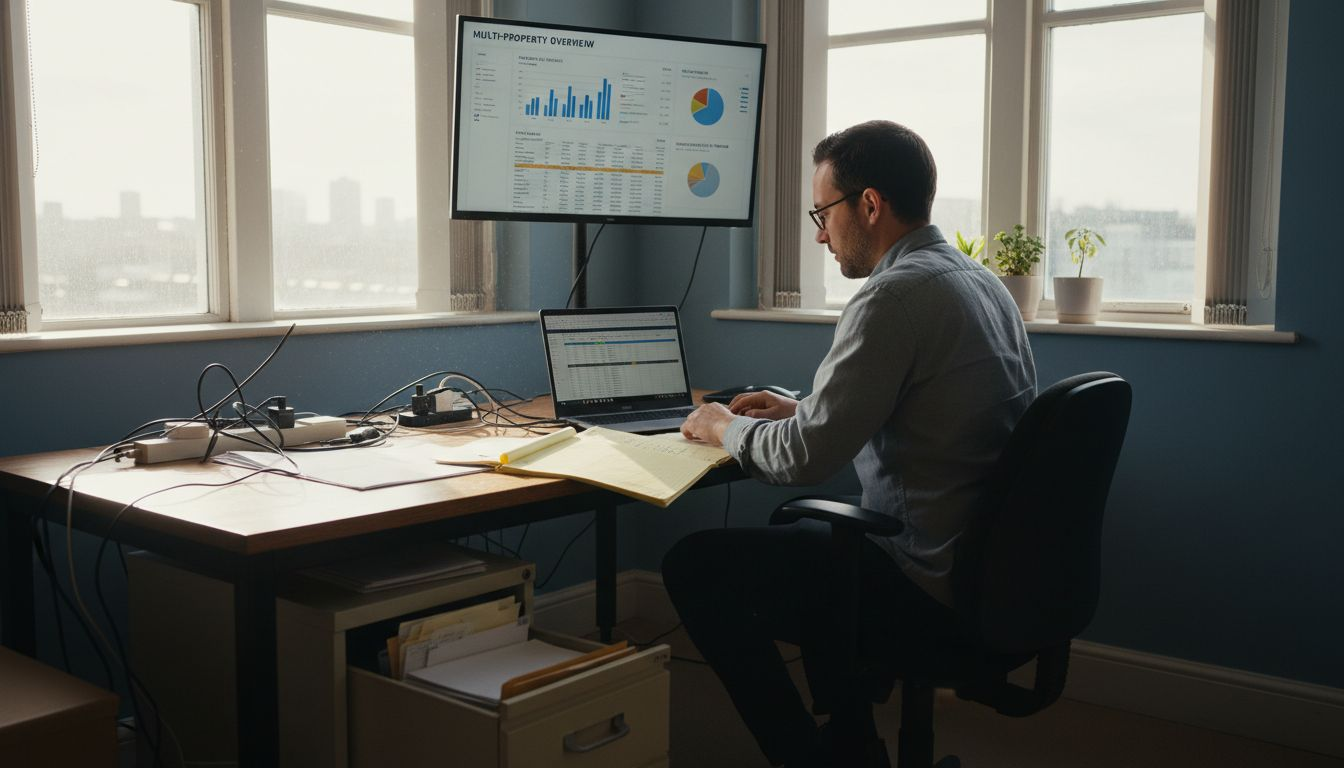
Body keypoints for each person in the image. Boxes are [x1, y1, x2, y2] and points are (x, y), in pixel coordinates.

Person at [663, 120, 1037, 768]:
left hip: (922, 583)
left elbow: (804, 459)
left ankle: (814, 757)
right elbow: (918, 407)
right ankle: (852, 739)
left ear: (869, 205)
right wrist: (802, 407)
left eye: (823, 212)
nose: (818, 233)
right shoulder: (979, 283)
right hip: (992, 577)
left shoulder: (892, 296)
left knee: (695, 566)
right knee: (806, 545)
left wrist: (721, 424)